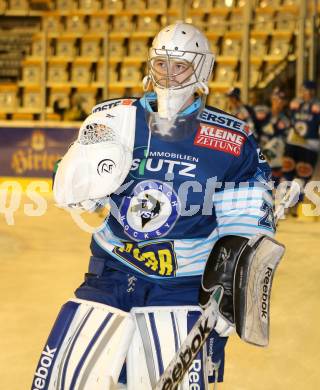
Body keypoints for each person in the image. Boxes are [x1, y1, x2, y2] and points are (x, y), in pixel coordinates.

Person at [32, 22, 280, 390]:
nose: (168, 74)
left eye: (179, 65)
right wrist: (80, 179)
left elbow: (248, 218)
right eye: (161, 63)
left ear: (202, 69)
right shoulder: (115, 118)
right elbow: (70, 181)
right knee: (68, 376)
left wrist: (235, 288)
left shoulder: (231, 138)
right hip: (112, 270)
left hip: (183, 285)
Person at [282, 80, 320, 216]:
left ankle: (285, 206)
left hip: (295, 143)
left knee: (291, 175)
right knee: (299, 176)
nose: (306, 94)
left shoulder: (295, 103)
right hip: (307, 145)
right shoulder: (314, 105)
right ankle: (290, 205)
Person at [254, 87, 290, 186]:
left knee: (274, 186)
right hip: (259, 157)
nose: (278, 103)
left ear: (285, 102)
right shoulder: (263, 115)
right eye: (275, 99)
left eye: (281, 100)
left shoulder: (286, 120)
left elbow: (285, 142)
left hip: (275, 160)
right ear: (271, 99)